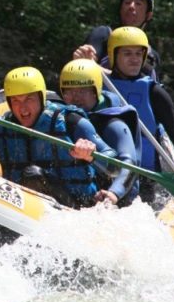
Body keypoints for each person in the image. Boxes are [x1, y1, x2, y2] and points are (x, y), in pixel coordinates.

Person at [0, 66, 118, 209]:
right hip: (20, 208)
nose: (23, 108)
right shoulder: (1, 126)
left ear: (41, 98)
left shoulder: (71, 122)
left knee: (33, 175)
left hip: (75, 207)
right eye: (16, 101)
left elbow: (114, 166)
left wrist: (91, 154)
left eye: (29, 99)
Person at [105, 26, 174, 207]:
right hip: (106, 173)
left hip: (147, 177)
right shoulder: (100, 86)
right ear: (114, 56)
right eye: (127, 54)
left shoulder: (153, 91)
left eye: (139, 54)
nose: (135, 59)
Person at [59, 59, 141, 207]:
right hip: (80, 190)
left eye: (83, 90)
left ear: (95, 91)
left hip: (116, 199)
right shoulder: (60, 117)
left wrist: (114, 194)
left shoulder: (114, 124)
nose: (75, 97)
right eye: (69, 91)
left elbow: (129, 164)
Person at [73, 0, 162, 79]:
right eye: (127, 2)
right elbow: (85, 68)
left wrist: (95, 68)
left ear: (148, 15)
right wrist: (82, 59)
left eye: (138, 3)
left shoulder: (152, 55)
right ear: (120, 10)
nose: (131, 6)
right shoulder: (103, 34)